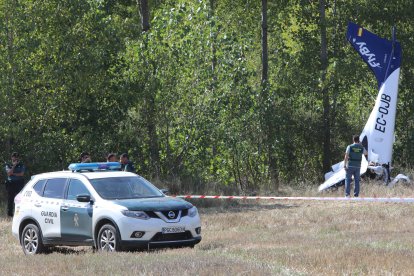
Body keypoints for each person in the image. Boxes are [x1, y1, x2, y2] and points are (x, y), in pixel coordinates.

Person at [4, 152, 26, 217]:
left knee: (20, 199)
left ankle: (19, 214)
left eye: (17, 157)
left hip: (19, 183)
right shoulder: (8, 164)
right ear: (12, 157)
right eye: (14, 157)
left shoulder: (21, 165)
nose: (15, 158)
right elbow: (8, 173)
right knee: (10, 199)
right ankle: (10, 215)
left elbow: (21, 174)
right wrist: (14, 166)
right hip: (11, 184)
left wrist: (13, 173)